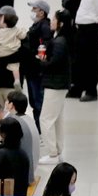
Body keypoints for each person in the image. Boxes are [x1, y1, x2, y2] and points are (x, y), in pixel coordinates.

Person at [38, 10, 73, 164]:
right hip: (59, 84)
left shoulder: (59, 41)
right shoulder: (63, 40)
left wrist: (42, 62)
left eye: (54, 19)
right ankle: (57, 151)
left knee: (45, 119)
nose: (51, 21)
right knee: (57, 118)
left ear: (61, 23)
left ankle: (52, 153)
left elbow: (54, 63)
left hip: (55, 84)